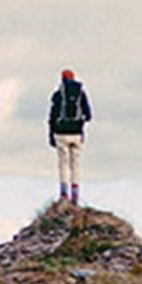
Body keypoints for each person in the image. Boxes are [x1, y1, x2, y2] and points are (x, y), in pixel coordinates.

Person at [48, 68, 92, 205]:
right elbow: (89, 115)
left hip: (61, 133)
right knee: (76, 164)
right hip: (76, 134)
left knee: (63, 164)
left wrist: (51, 134)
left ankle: (64, 193)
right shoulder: (81, 93)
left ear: (62, 79)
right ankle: (75, 195)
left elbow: (52, 117)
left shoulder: (58, 95)